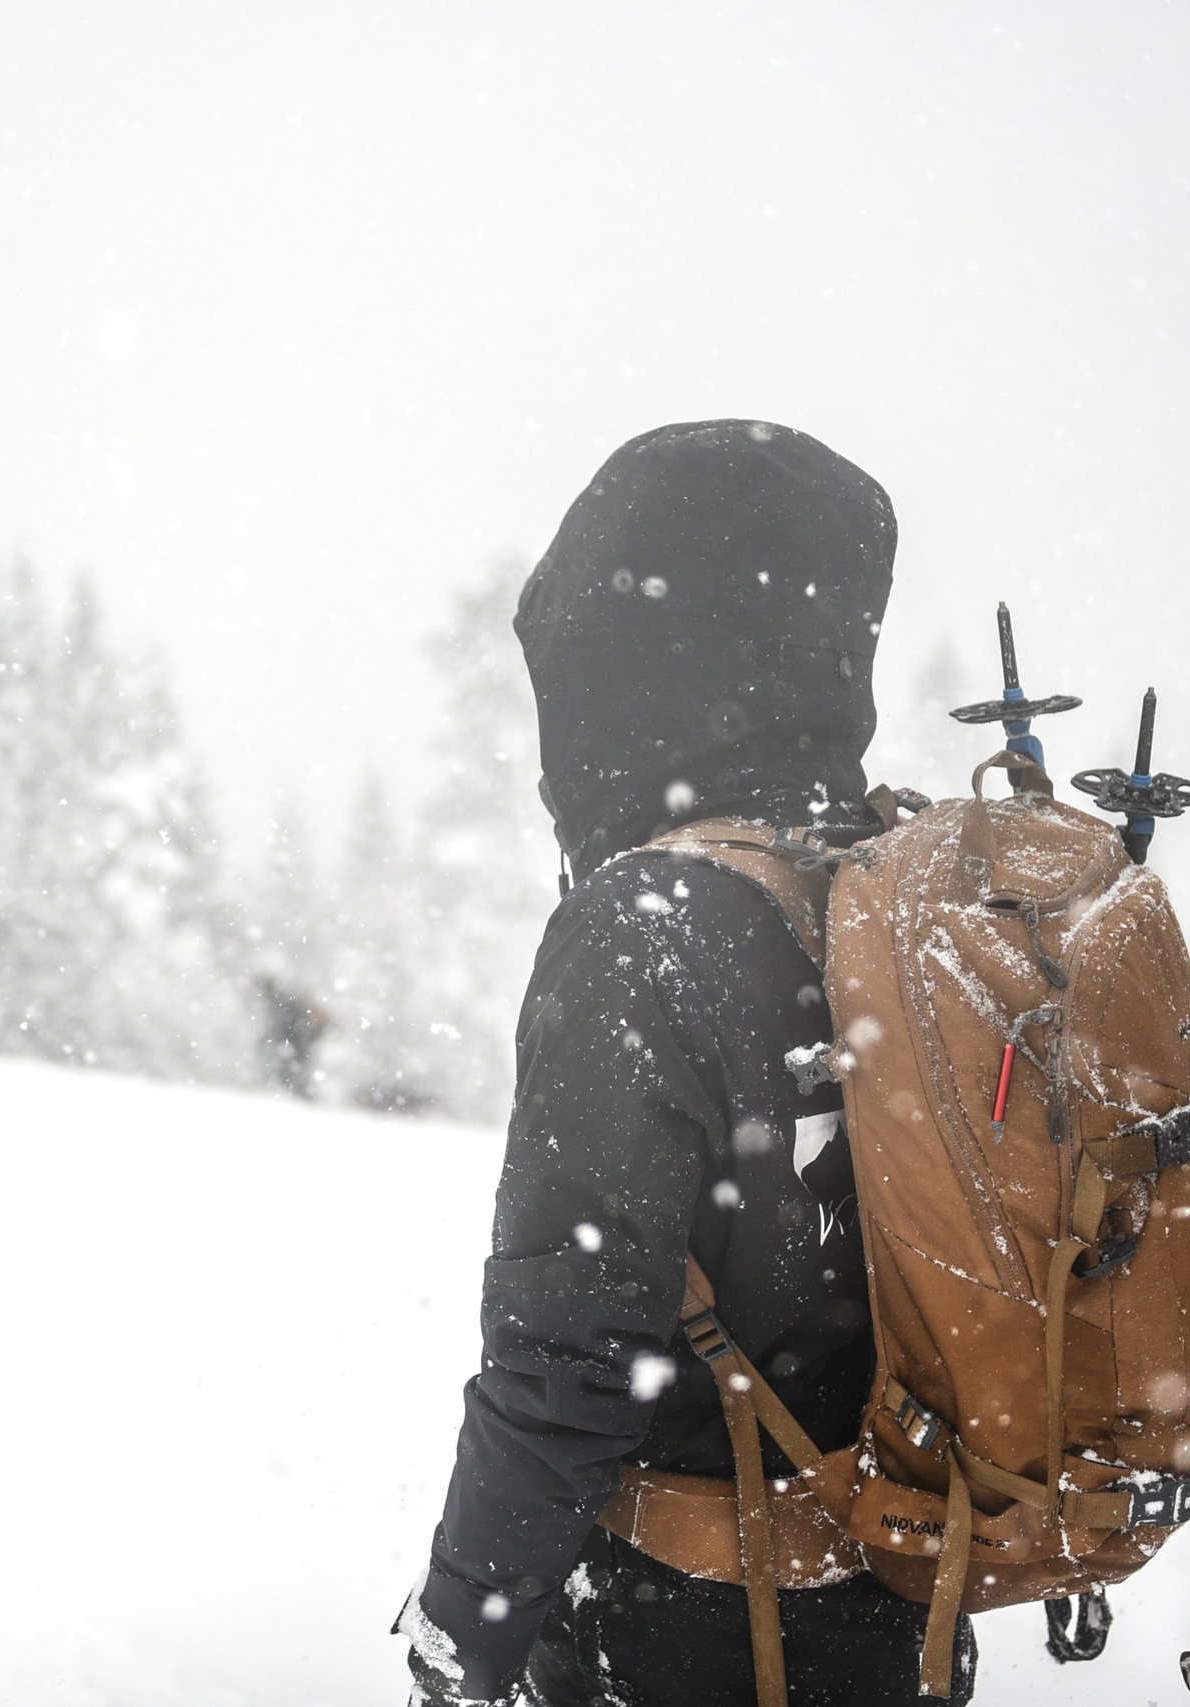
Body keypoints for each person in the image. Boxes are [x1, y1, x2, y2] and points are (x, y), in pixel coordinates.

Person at [401, 421, 972, 1707]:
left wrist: (464, 1631)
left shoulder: (646, 927)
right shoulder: (894, 894)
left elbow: (569, 1356)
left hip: (693, 1637)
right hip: (904, 1624)